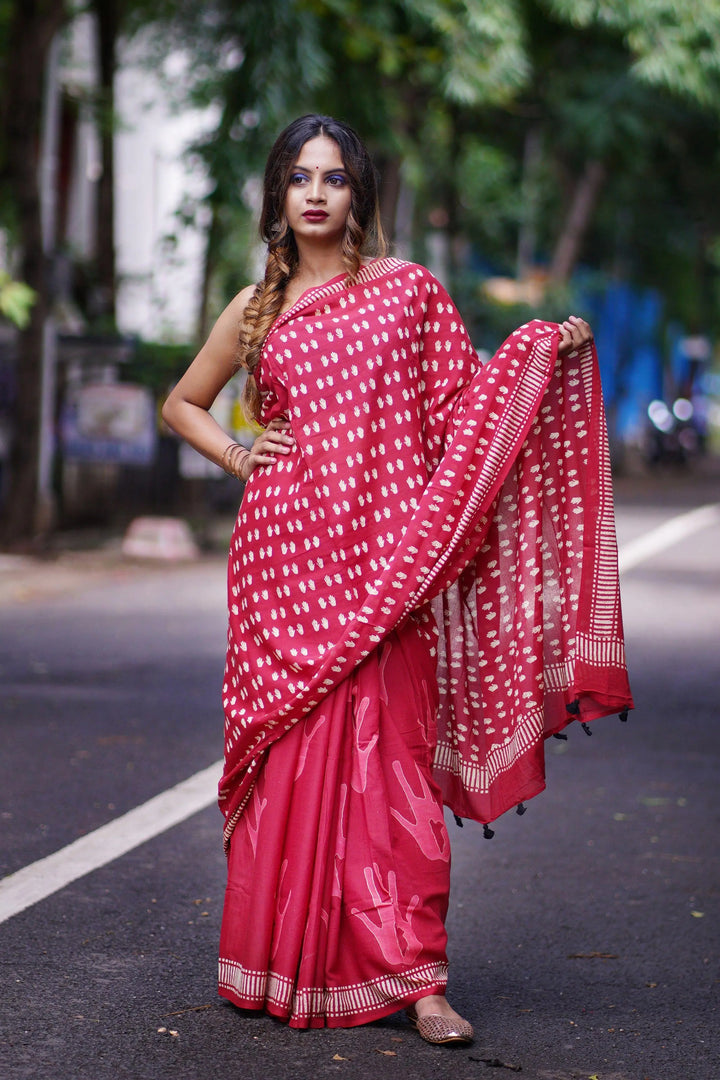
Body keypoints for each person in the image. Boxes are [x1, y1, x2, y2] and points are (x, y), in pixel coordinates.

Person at [162, 114, 633, 1044]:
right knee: (294, 769)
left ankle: (418, 977)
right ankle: (282, 959)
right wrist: (241, 454)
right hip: (282, 566)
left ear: (358, 195)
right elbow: (183, 401)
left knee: (396, 774)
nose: (315, 194)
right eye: (299, 178)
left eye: (333, 178)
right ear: (277, 195)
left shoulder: (408, 293)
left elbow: (464, 416)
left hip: (389, 568)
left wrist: (538, 356)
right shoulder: (255, 309)